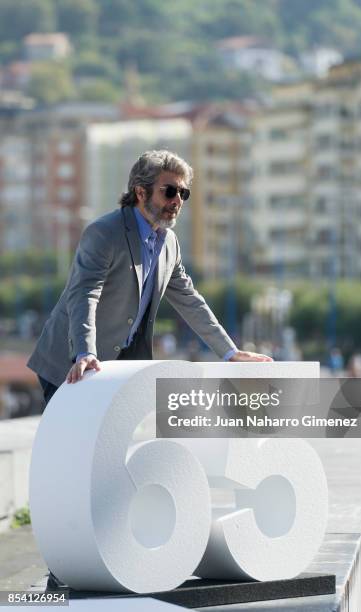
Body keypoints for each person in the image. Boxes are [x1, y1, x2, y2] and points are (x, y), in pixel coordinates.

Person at [27, 150, 272, 589]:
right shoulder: (103, 232)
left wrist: (229, 352)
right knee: (72, 462)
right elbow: (85, 294)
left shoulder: (169, 241)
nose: (179, 200)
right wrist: (83, 351)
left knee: (112, 461)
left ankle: (110, 552)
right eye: (170, 190)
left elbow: (188, 300)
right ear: (141, 192)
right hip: (71, 364)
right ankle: (62, 567)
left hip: (121, 367)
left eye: (185, 192)